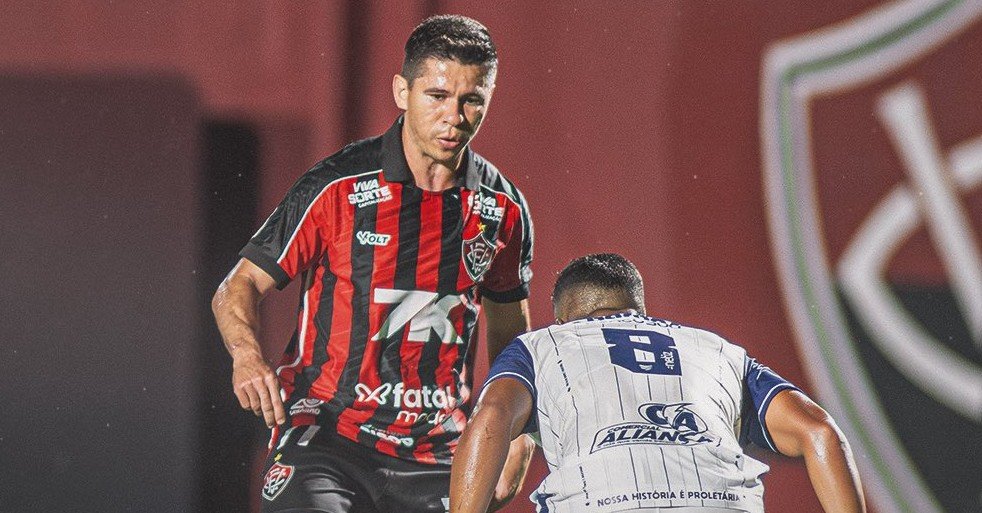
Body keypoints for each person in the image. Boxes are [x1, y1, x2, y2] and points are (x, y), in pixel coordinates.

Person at [212, 15, 535, 513]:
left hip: (441, 453)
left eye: (472, 100)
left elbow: (512, 333)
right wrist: (246, 357)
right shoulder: (335, 186)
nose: (454, 116)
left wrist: (519, 434)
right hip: (328, 436)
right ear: (402, 91)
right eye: (437, 96)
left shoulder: (503, 207)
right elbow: (239, 286)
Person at [450, 253, 867, 513]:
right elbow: (820, 431)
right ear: (641, 311)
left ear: (563, 318)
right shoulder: (717, 349)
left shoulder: (541, 346)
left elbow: (491, 417)